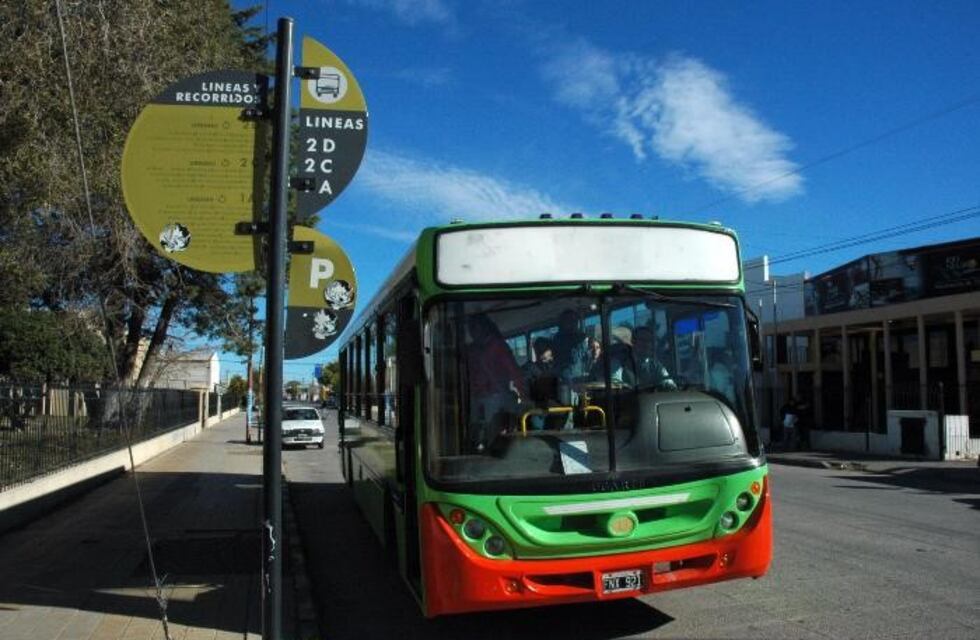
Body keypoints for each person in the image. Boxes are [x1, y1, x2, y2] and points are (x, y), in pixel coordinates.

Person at [466, 313, 525, 449]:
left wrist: (523, 394)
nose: (472, 331)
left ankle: (494, 451)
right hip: (474, 396)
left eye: (475, 327)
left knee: (493, 429)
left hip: (495, 395)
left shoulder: (498, 346)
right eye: (470, 328)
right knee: (474, 430)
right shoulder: (471, 349)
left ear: (484, 327)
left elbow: (513, 370)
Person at [631, 326, 678, 390]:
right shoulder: (622, 365)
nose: (647, 344)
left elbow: (670, 384)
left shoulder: (656, 366)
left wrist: (670, 386)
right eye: (643, 340)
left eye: (650, 341)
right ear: (633, 342)